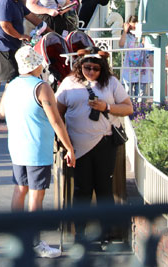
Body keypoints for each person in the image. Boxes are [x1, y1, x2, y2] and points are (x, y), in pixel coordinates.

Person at [0, 46, 76, 259]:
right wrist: (69, 147)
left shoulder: (12, 85)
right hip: (36, 148)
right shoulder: (41, 87)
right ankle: (33, 242)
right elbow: (55, 121)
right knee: (36, 195)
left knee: (19, 190)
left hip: (16, 146)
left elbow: (1, 111)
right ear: (37, 64)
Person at [55, 52, 133, 229]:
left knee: (104, 189)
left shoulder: (111, 82)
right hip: (76, 145)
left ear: (102, 68)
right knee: (82, 190)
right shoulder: (69, 83)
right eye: (86, 67)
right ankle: (80, 235)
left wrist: (107, 107)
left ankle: (106, 233)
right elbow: (57, 113)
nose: (90, 71)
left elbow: (128, 108)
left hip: (104, 143)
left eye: (95, 69)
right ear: (80, 66)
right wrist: (63, 141)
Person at [0, 0, 42, 122]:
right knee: (12, 79)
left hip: (7, 45)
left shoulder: (17, 1)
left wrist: (46, 28)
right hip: (1, 46)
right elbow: (5, 25)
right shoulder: (5, 2)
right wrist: (20, 36)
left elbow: (30, 16)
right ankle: (4, 112)